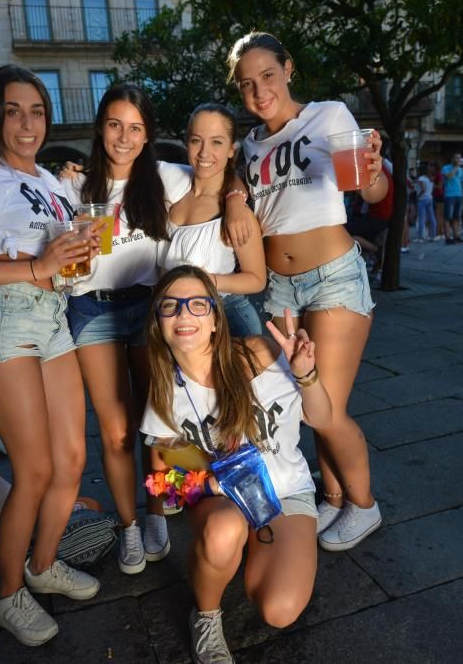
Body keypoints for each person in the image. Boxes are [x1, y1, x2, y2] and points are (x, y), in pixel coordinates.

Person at [0, 65, 100, 647]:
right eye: (13, 110)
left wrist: (81, 242)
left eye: (36, 111)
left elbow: (62, 252)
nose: (27, 123)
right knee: (32, 469)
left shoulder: (51, 185)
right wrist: (35, 266)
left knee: (73, 459)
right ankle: (9, 593)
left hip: (52, 319)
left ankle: (42, 564)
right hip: (4, 321)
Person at [224, 32, 386, 552]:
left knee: (323, 409)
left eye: (267, 76)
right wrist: (232, 193)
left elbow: (371, 190)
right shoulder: (249, 146)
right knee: (301, 399)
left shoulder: (329, 115)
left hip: (332, 276)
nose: (259, 91)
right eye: (247, 84)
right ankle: (334, 497)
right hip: (279, 289)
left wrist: (375, 172)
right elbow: (240, 195)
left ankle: (365, 505)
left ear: (288, 69)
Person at [139, 266, 331, 664]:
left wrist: (306, 375)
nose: (184, 314)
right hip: (223, 502)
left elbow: (324, 419)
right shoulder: (165, 390)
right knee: (224, 529)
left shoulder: (261, 352)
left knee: (279, 611)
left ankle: (239, 552)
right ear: (158, 322)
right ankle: (207, 613)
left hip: (287, 491)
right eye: (170, 306)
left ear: (214, 319)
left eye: (197, 304)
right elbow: (161, 481)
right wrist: (212, 485)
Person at [58, 84, 192, 575]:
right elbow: (53, 253)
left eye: (136, 128)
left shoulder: (165, 178)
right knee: (116, 432)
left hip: (148, 305)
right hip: (92, 310)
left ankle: (157, 511)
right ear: (100, 127)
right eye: (115, 124)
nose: (124, 137)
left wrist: (238, 199)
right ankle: (130, 523)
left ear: (147, 134)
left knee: (156, 424)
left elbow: (220, 175)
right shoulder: (73, 186)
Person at [163, 103, 266, 338]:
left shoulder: (236, 212)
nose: (204, 153)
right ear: (186, 143)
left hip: (227, 317)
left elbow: (257, 279)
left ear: (232, 149)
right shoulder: (172, 194)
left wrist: (206, 281)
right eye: (196, 140)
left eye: (217, 142)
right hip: (176, 319)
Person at [441, 153, 463, 244]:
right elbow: (449, 177)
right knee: (447, 217)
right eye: (456, 157)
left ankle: (456, 236)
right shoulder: (446, 168)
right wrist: (456, 167)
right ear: (452, 159)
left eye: (459, 157)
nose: (458, 159)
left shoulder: (460, 169)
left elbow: (460, 180)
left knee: (456, 217)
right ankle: (447, 238)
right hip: (449, 195)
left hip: (459, 195)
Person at [416, 163, 436, 241]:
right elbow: (432, 188)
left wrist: (417, 197)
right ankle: (432, 235)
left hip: (422, 199)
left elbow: (423, 189)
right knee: (432, 218)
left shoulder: (421, 178)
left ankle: (421, 237)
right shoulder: (431, 178)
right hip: (430, 198)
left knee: (422, 218)